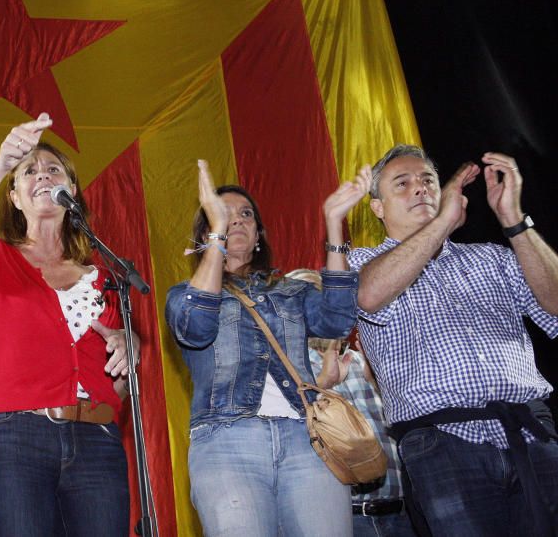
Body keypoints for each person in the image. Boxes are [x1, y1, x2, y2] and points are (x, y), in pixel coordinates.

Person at [0, 112, 137, 537]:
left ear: (73, 192)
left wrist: (127, 347)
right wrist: (2, 163)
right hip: (13, 438)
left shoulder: (106, 279)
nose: (42, 176)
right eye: (30, 172)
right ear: (14, 196)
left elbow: (117, 383)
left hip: (96, 439)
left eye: (53, 169)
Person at [350, 144, 558, 535]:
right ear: (378, 207)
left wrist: (514, 221)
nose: (421, 189)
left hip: (530, 432)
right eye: (403, 183)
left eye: (428, 180)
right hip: (442, 443)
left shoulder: (492, 257)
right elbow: (368, 296)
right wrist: (441, 223)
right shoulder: (361, 263)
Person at [164, 159, 370, 537]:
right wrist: (218, 237)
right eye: (224, 215)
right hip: (227, 439)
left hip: (307, 440)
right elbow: (195, 330)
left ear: (259, 234)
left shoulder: (293, 290)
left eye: (245, 215)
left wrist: (334, 221)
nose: (236, 220)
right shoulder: (184, 295)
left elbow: (338, 321)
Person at [307, 333, 417, 537]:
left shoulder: (364, 360)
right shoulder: (293, 371)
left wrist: (383, 379)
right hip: (346, 520)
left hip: (404, 514)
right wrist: (322, 384)